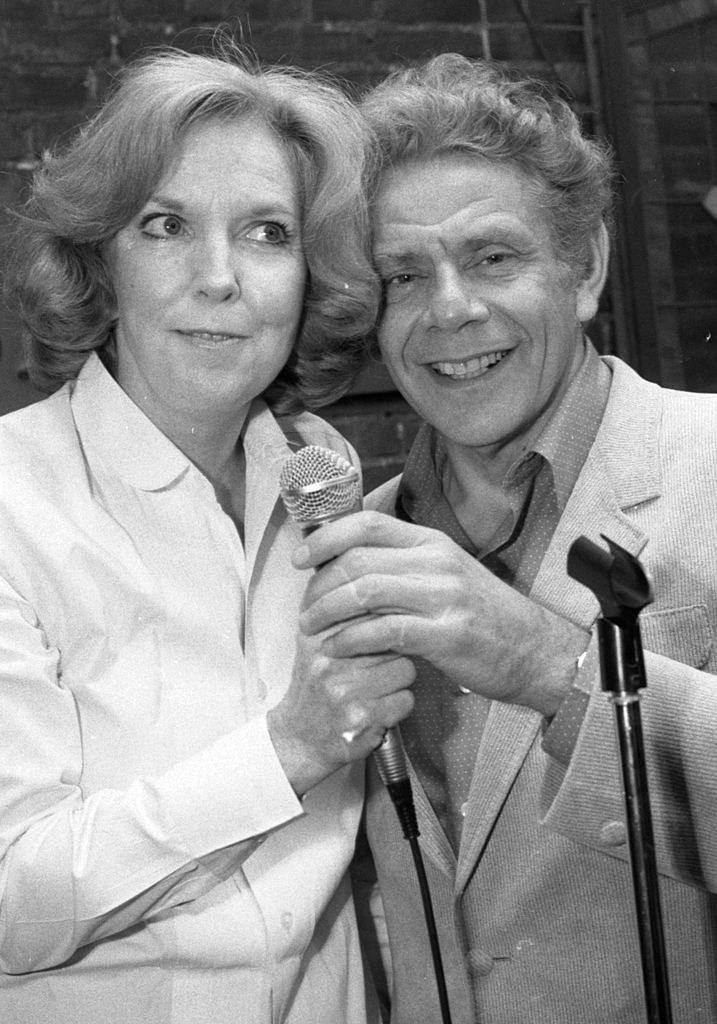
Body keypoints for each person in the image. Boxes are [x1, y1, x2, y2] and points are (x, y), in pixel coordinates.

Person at [292, 53, 717, 1023]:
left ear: (588, 268)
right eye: (405, 274)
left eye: (492, 257)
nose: (450, 309)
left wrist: (550, 664)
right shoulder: (354, 546)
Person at [0, 44, 416, 1024]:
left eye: (267, 232)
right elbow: (12, 899)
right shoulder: (12, 500)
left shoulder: (321, 477)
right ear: (102, 256)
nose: (219, 277)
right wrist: (292, 747)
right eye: (166, 225)